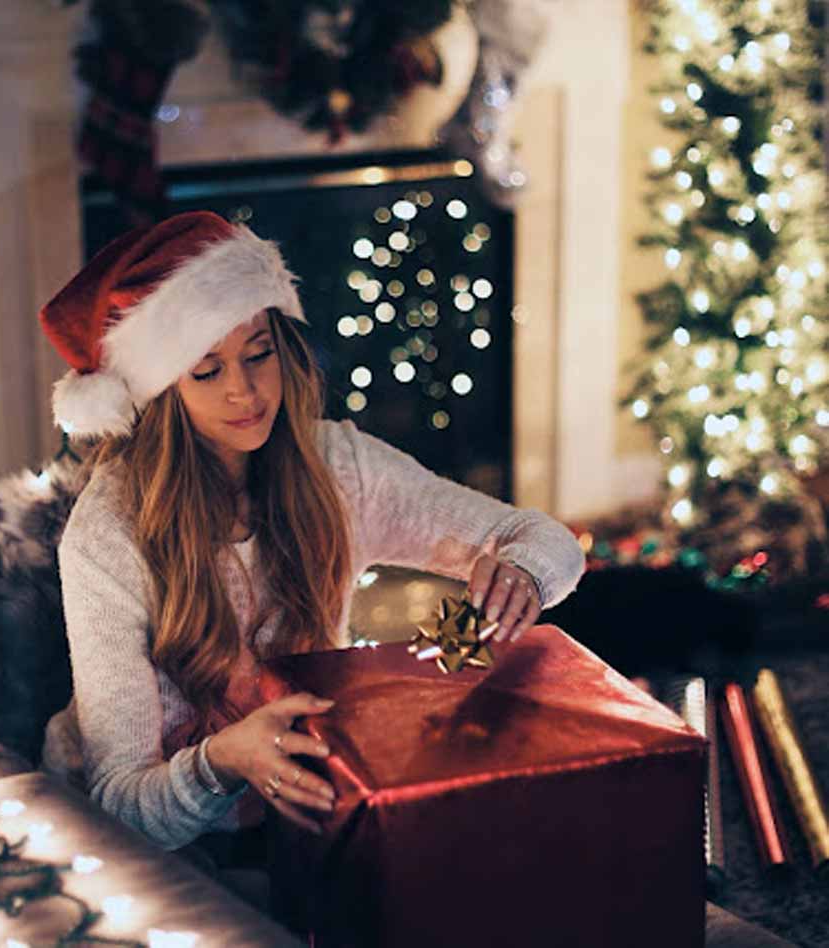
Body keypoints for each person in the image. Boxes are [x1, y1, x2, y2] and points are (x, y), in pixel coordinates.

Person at [38, 210, 585, 880]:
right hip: (147, 854)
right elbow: (120, 805)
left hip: (310, 810)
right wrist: (221, 762)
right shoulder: (110, 535)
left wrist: (523, 573)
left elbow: (546, 541)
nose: (244, 390)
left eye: (258, 353)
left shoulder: (337, 467)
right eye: (206, 371)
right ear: (160, 395)